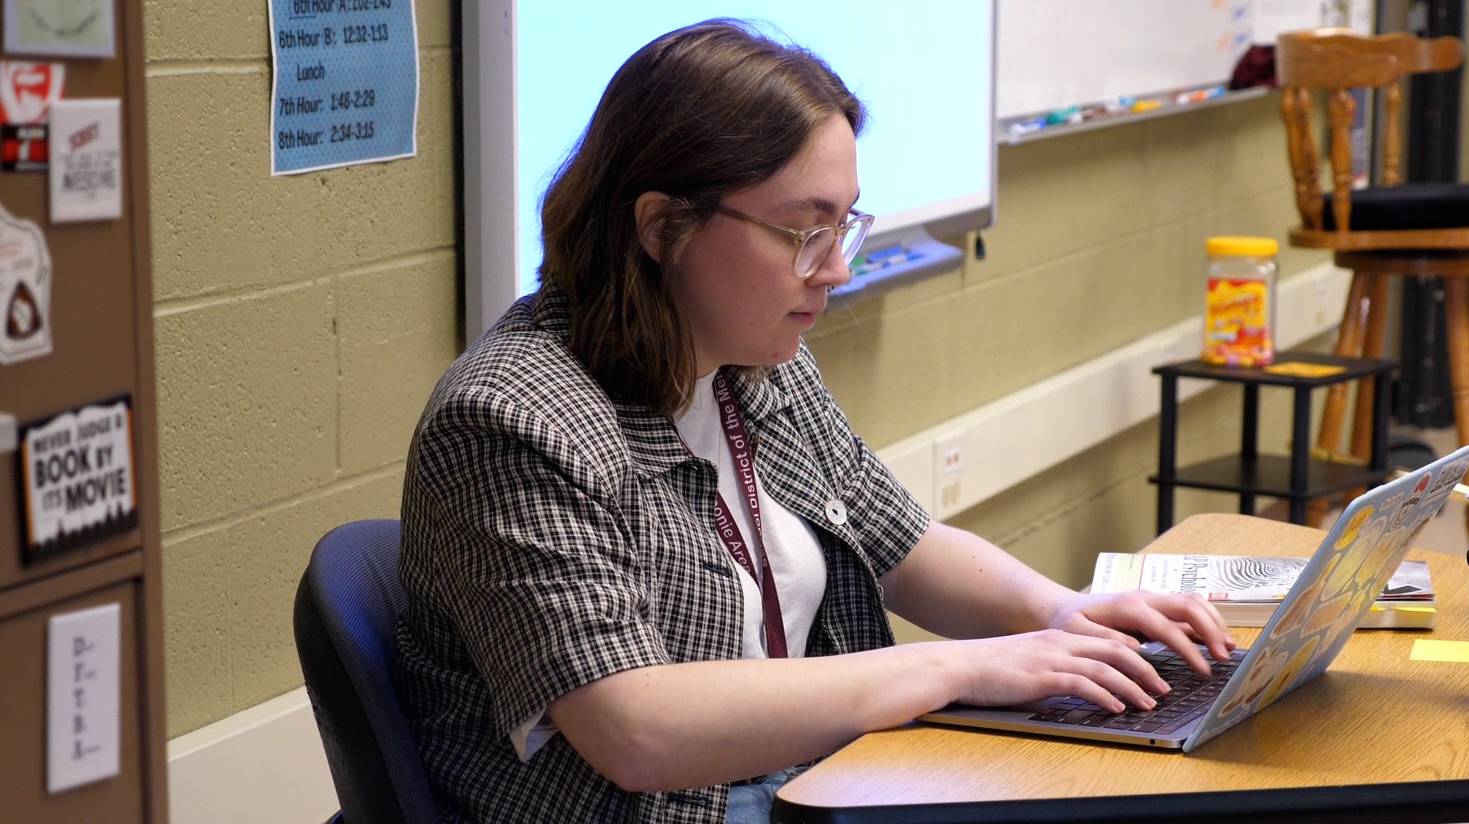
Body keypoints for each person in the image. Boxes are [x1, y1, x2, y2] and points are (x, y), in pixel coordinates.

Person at [397, 19, 1235, 824]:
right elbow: (636, 727)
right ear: (661, 226)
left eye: (845, 225)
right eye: (803, 230)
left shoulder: (758, 361)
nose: (834, 269)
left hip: (808, 779)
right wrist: (961, 666)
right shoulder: (511, 420)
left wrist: (1059, 614)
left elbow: (899, 544)